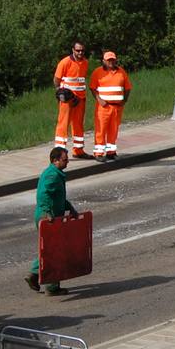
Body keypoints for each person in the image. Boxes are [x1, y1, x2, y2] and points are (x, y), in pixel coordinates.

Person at [27, 147, 79, 296]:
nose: (67, 161)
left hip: (52, 216)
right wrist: (47, 213)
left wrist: (70, 208)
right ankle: (51, 286)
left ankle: (35, 275)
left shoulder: (56, 174)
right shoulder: (52, 176)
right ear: (55, 160)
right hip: (48, 217)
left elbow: (59, 197)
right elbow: (43, 195)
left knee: (50, 250)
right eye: (65, 159)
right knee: (55, 251)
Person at [89, 51, 132, 162]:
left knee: (113, 130)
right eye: (108, 60)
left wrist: (124, 100)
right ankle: (98, 153)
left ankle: (111, 152)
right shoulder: (97, 72)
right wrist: (99, 100)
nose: (111, 62)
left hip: (117, 107)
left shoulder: (121, 72)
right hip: (104, 107)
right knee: (101, 130)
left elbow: (128, 87)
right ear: (103, 61)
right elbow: (92, 88)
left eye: (112, 60)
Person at [53, 41, 89, 159]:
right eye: (78, 50)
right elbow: (56, 79)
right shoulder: (65, 62)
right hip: (67, 100)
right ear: (73, 50)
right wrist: (60, 93)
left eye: (82, 50)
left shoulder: (85, 62)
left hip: (80, 99)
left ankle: (78, 150)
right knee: (63, 124)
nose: (80, 52)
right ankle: (59, 153)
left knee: (78, 124)